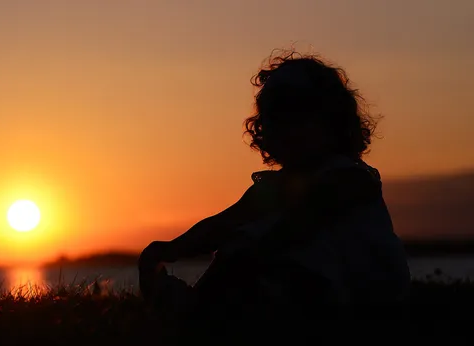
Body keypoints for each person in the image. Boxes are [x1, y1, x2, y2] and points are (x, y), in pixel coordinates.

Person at [138, 51, 411, 322]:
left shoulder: (348, 178)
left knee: (243, 252)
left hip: (365, 301)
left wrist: (248, 251)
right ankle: (195, 310)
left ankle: (194, 312)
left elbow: (301, 222)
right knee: (238, 249)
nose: (287, 129)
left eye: (300, 117)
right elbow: (224, 224)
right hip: (305, 291)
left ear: (333, 122)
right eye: (276, 118)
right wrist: (170, 249)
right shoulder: (275, 187)